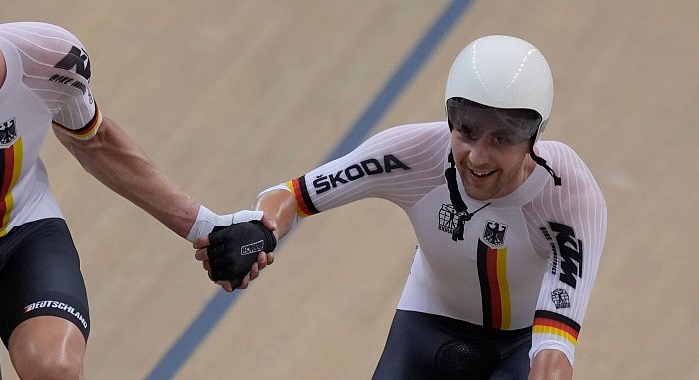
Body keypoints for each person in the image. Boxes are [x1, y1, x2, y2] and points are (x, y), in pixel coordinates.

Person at [0, 0, 262, 378]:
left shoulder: (48, 55)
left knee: (53, 368)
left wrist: (206, 227)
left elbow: (98, 143)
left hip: (26, 237)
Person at [197, 35, 606, 379]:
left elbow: (552, 354)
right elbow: (293, 195)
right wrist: (262, 227)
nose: (477, 157)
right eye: (466, 131)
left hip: (523, 342)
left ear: (534, 137)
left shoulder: (564, 194)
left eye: (500, 139)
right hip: (428, 322)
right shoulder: (413, 154)